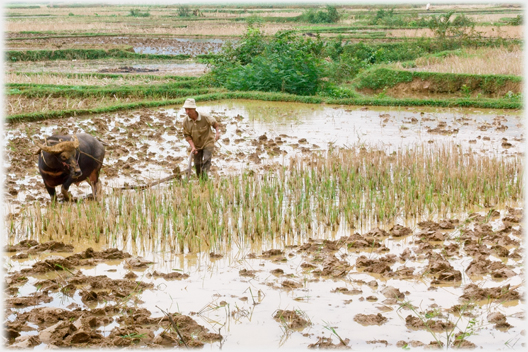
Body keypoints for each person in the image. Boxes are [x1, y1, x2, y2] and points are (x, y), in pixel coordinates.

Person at [182, 98, 220, 180]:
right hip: (196, 144)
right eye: (186, 109)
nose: (187, 112)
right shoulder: (185, 121)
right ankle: (200, 179)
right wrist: (193, 147)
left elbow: (215, 124)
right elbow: (187, 136)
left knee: (206, 160)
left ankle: (204, 179)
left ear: (194, 109)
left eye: (189, 109)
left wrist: (217, 133)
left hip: (208, 141)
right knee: (197, 164)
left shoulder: (205, 117)